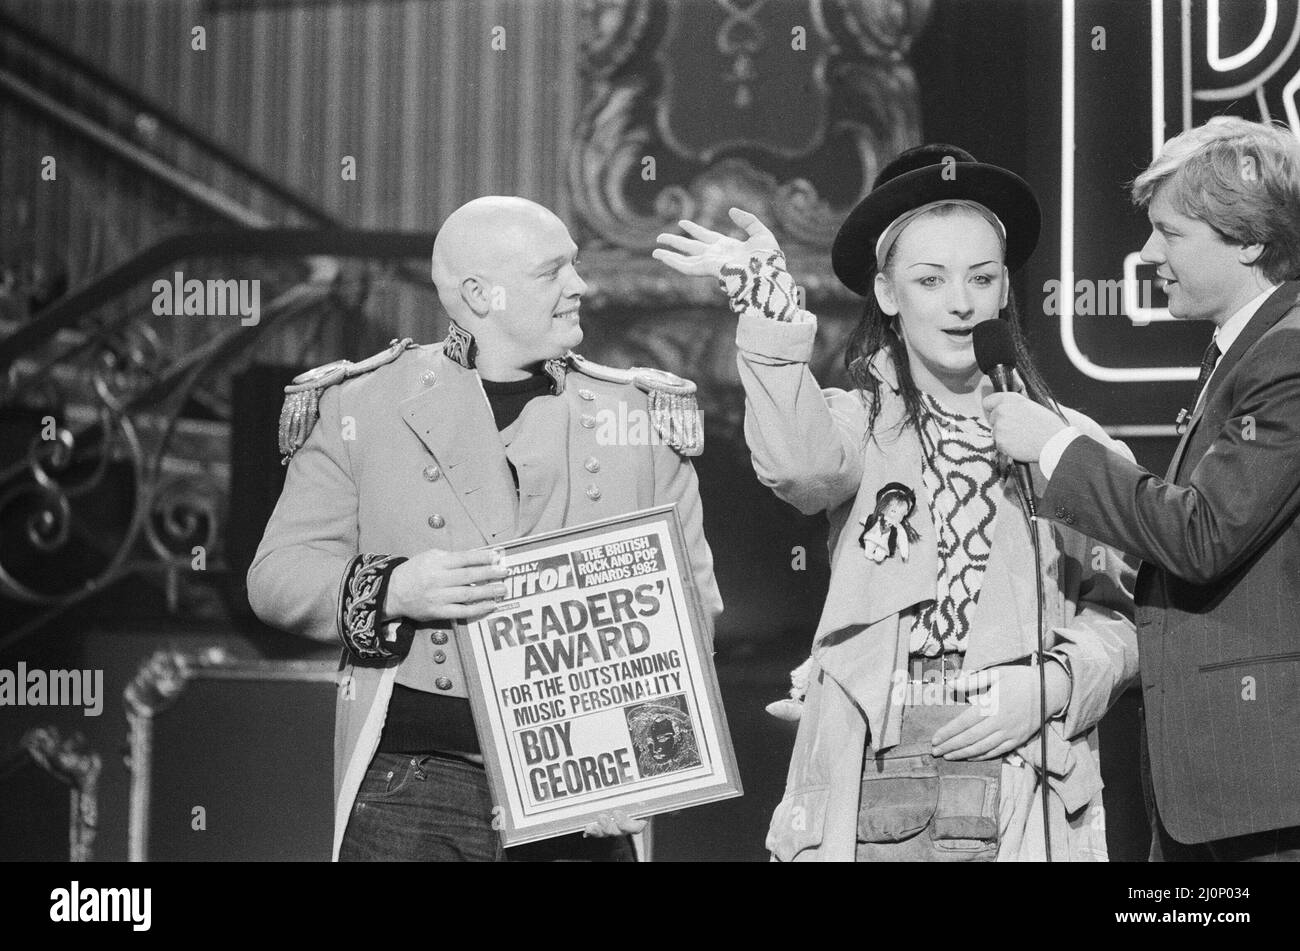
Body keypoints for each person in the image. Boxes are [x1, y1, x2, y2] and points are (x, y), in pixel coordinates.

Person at [654, 144, 1139, 861]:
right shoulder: (859, 423)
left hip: (1020, 775)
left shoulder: (1072, 444)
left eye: (981, 277)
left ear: (1005, 289)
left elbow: (1129, 619)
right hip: (874, 778)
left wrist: (1053, 685)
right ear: (887, 293)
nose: (960, 301)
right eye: (931, 279)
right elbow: (799, 464)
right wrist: (767, 304)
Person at [248, 195, 722, 862]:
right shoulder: (363, 404)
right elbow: (276, 576)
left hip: (582, 797)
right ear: (479, 293)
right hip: (414, 787)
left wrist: (639, 769)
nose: (579, 286)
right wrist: (395, 587)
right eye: (551, 271)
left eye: (575, 267)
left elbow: (691, 606)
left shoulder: (637, 414)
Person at [985, 117, 1300, 861]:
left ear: (1250, 240)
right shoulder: (1248, 348)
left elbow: (1203, 536)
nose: (1146, 253)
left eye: (1170, 233)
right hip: (1215, 794)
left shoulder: (1286, 357)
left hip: (1261, 791)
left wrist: (1057, 447)